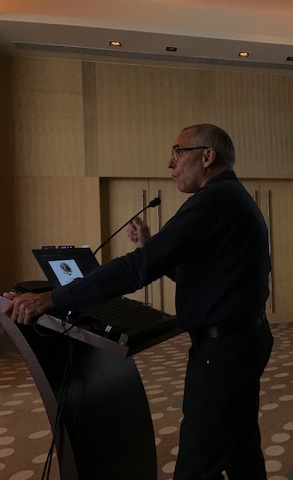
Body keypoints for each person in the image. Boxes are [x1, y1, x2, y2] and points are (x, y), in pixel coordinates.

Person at [2, 123, 274, 480]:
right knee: (240, 450)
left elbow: (135, 269)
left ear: (208, 156)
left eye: (178, 152)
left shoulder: (214, 200)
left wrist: (53, 298)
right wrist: (150, 245)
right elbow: (199, 276)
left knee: (197, 467)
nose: (170, 163)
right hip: (243, 341)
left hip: (226, 351)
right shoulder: (230, 198)